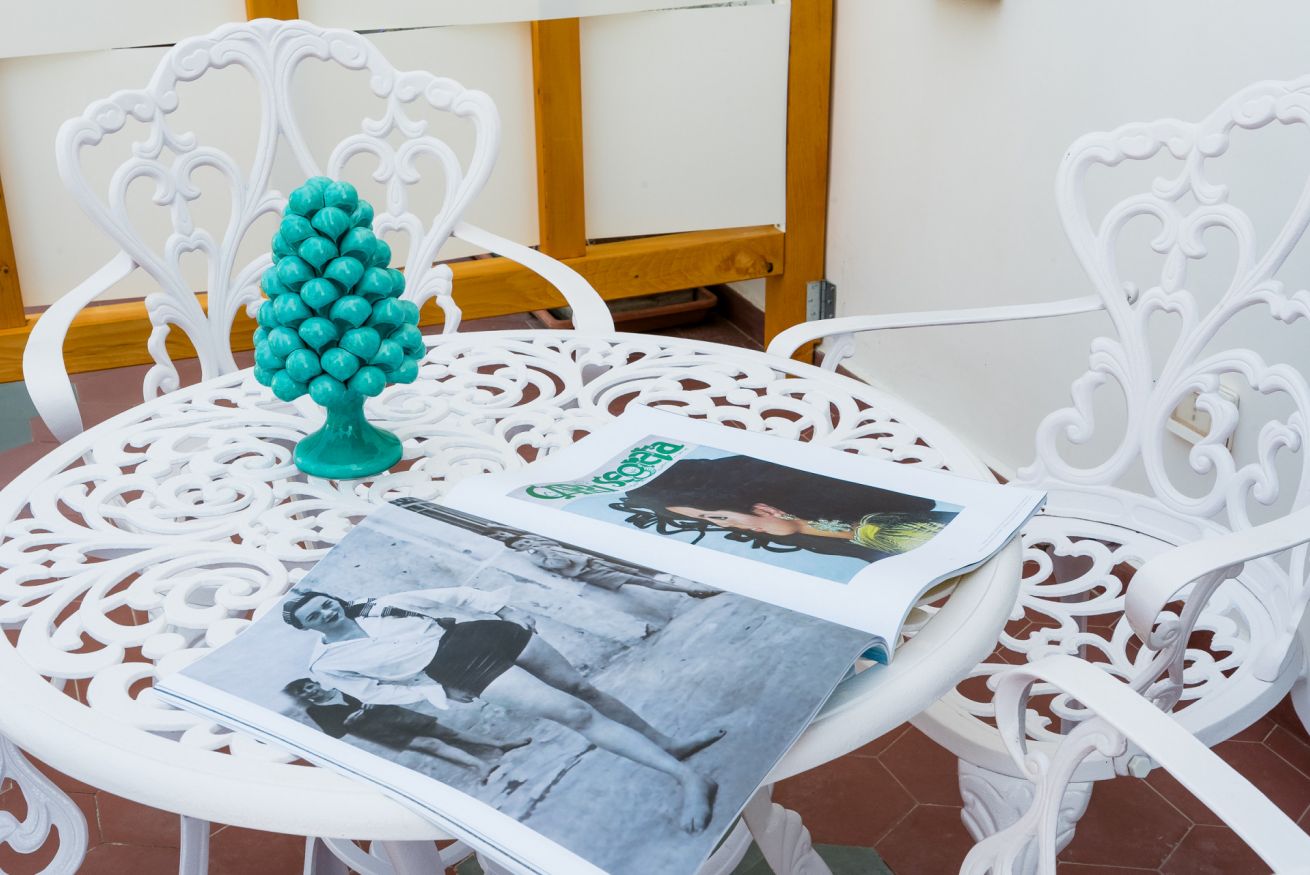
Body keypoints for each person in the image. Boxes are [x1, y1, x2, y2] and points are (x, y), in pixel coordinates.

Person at [281, 589, 724, 832]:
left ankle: (668, 744)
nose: (326, 613)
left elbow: (455, 594)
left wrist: (506, 610)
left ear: (333, 599)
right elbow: (374, 691)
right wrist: (436, 690)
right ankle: (687, 777)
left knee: (581, 688)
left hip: (486, 635)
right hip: (459, 668)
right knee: (575, 715)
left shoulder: (378, 604)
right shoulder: (327, 663)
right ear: (305, 628)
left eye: (325, 604)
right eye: (314, 616)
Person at [614, 454, 958, 561]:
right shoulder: (830, 542)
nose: (722, 526)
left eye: (714, 516)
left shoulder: (886, 523)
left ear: (765, 508)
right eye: (708, 522)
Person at [284, 678, 530, 782]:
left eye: (308, 686)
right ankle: (481, 766)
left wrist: (371, 702)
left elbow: (377, 692)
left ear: (315, 683)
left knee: (449, 734)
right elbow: (335, 733)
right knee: (432, 746)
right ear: (303, 697)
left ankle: (500, 745)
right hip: (378, 731)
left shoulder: (344, 687)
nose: (309, 692)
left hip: (393, 715)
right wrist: (350, 719)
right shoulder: (316, 711)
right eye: (303, 692)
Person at [503, 535, 719, 598]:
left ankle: (689, 589)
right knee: (644, 582)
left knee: (643, 576)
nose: (526, 544)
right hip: (590, 572)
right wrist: (545, 550)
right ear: (519, 550)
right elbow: (562, 563)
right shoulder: (535, 556)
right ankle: (693, 590)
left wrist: (544, 545)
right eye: (521, 545)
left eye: (524, 541)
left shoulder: (543, 544)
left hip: (596, 563)